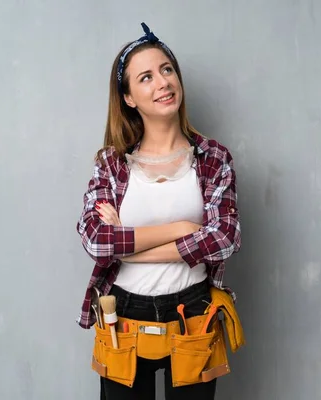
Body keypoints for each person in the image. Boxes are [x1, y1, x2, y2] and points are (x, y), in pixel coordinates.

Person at [75, 22, 242, 400]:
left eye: (167, 70)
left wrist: (130, 245)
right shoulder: (112, 164)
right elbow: (98, 243)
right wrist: (183, 228)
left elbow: (225, 238)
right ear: (129, 98)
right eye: (146, 77)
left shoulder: (213, 158)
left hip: (193, 312)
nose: (162, 82)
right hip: (124, 315)